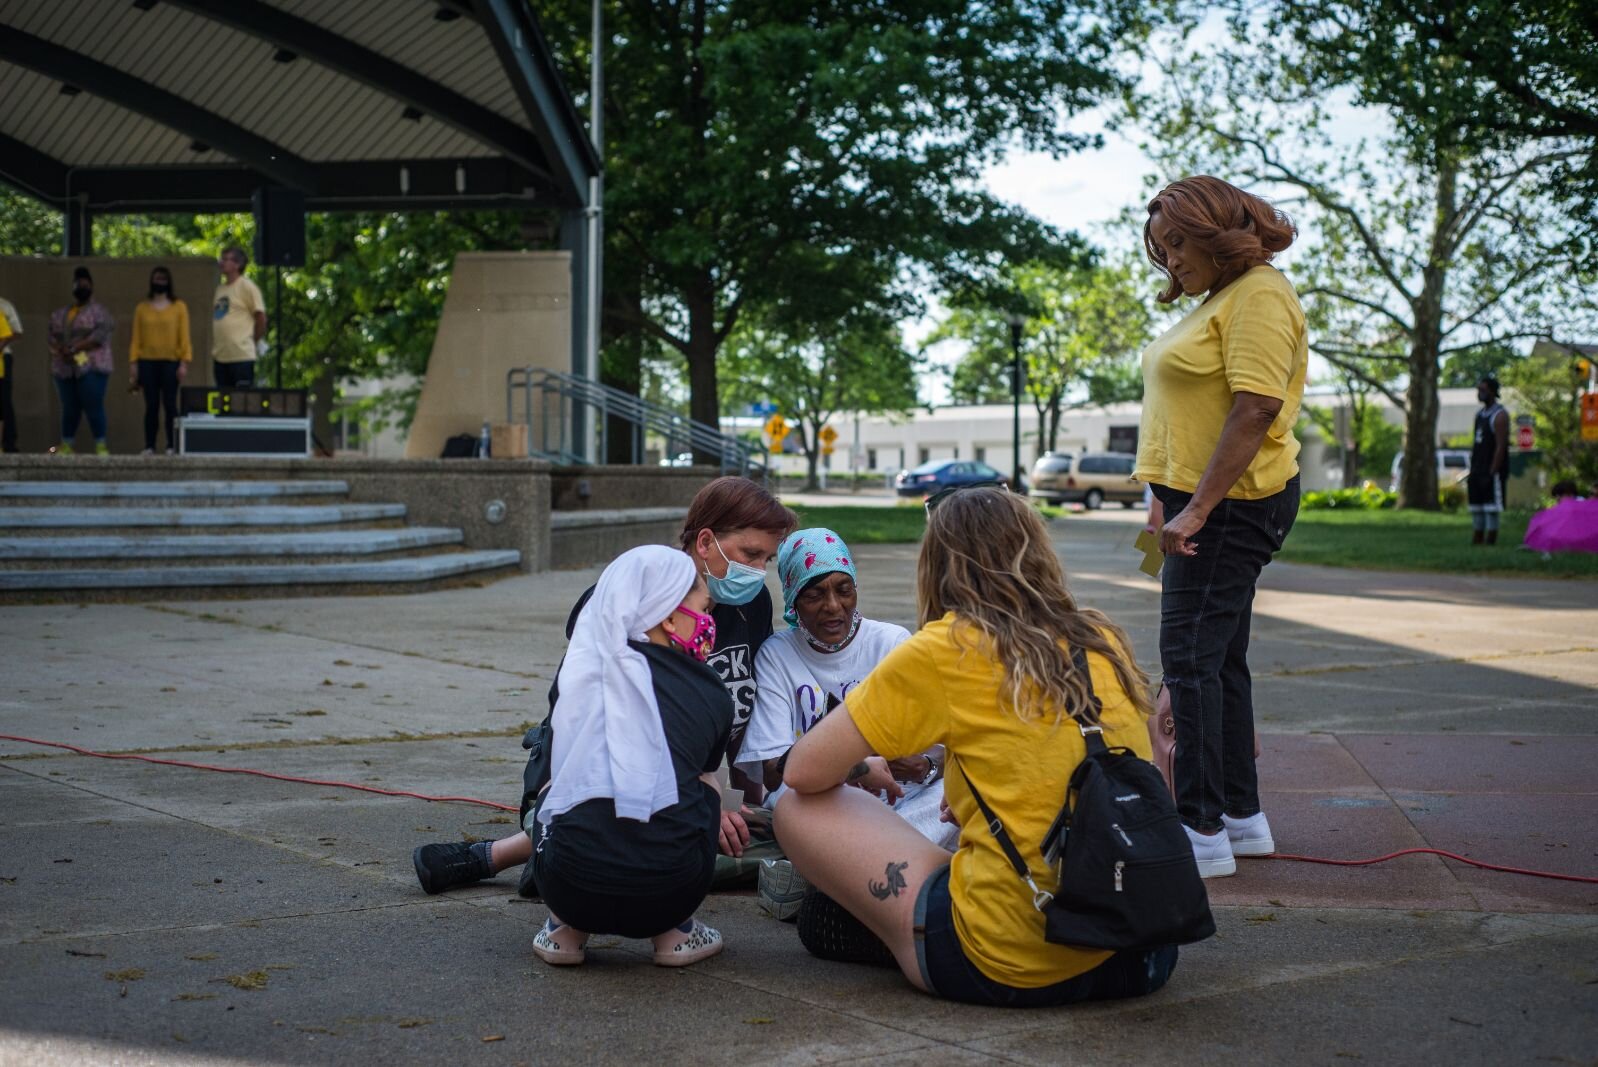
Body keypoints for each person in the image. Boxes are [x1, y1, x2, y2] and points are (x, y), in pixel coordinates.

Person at [774, 487, 1177, 1006]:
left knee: (809, 867)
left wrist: (864, 765)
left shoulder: (945, 648)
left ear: (937, 564)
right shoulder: (1100, 638)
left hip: (1007, 958)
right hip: (1143, 950)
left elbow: (802, 772)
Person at [411, 476, 797, 894]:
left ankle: (530, 857)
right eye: (750, 555)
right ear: (705, 542)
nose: (758, 573)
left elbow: (738, 714)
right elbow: (606, 731)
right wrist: (709, 805)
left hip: (686, 795)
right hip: (587, 786)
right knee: (685, 850)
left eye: (767, 561)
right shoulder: (631, 598)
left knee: (788, 837)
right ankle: (556, 853)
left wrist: (744, 806)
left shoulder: (751, 606)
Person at [1135, 175, 1306, 878]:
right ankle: (1242, 818)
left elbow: (1256, 406)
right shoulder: (1221, 300)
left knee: (1190, 661)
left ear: (1215, 229)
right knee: (1219, 660)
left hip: (1229, 506)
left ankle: (1199, 830)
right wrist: (1159, 496)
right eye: (1161, 248)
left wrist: (1198, 507)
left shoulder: (1260, 293)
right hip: (1194, 503)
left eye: (1179, 241)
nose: (1171, 258)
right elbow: (1187, 409)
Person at [528, 544, 732, 968]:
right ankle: (676, 935)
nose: (709, 622)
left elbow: (553, 771)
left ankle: (563, 931)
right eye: (704, 608)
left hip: (568, 886)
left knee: (558, 781)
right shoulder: (710, 689)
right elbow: (704, 778)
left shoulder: (581, 672)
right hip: (672, 892)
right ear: (670, 617)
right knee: (707, 781)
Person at [738, 527, 955, 917]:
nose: (834, 606)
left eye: (844, 589)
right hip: (822, 806)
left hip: (901, 805)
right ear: (792, 598)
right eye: (814, 594)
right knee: (790, 809)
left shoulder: (892, 643)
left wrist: (925, 765)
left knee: (951, 802)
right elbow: (773, 772)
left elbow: (945, 752)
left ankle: (836, 875)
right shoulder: (777, 655)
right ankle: (897, 872)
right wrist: (855, 768)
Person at [47, 267, 115, 455]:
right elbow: (51, 337)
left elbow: (100, 336)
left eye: (85, 284)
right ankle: (67, 445)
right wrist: (61, 350)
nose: (81, 287)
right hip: (65, 367)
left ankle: (101, 446)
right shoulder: (61, 313)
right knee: (69, 406)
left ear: (91, 287)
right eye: (78, 284)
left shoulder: (100, 312)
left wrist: (76, 347)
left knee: (93, 403)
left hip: (92, 365)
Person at [129, 266, 193, 455]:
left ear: (169, 282)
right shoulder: (142, 308)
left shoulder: (179, 307)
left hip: (171, 362)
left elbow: (185, 337)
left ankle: (171, 445)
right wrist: (133, 363)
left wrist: (184, 362)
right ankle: (149, 445)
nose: (160, 282)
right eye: (157, 278)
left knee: (170, 404)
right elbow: (136, 338)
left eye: (163, 279)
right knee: (151, 405)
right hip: (147, 362)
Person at [212, 245, 267, 388]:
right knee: (223, 404)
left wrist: (252, 340)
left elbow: (260, 317)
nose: (221, 262)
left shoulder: (247, 286)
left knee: (240, 403)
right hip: (221, 356)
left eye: (225, 259)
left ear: (238, 264)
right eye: (221, 259)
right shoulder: (220, 289)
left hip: (241, 356)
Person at [1467, 374, 1511, 545]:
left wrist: (1493, 469)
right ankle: (1477, 538)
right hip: (1477, 468)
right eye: (1478, 390)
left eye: (1483, 390)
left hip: (1491, 470)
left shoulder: (1500, 415)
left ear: (1492, 392)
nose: (1479, 393)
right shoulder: (1479, 415)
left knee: (1491, 508)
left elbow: (1501, 446)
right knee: (1477, 506)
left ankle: (1491, 540)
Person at [0, 292, 21, 452]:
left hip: (3, 357)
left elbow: (16, 331)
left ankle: (8, 443)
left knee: (3, 399)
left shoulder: (4, 306)